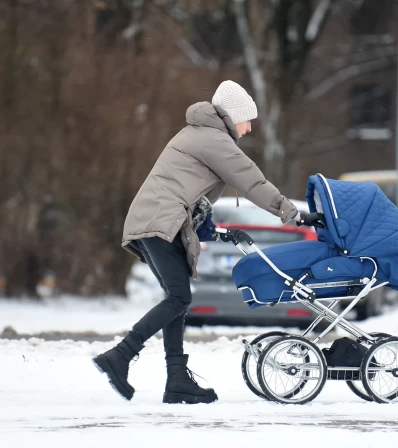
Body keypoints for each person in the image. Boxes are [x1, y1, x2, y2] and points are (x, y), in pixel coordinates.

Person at [93, 80, 322, 404]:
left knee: (177, 299)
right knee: (179, 298)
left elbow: (192, 195)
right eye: (247, 119)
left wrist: (211, 229)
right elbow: (252, 180)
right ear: (232, 116)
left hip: (155, 221)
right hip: (161, 223)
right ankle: (120, 355)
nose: (251, 127)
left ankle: (176, 380)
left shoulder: (200, 135)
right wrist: (293, 214)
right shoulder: (214, 139)